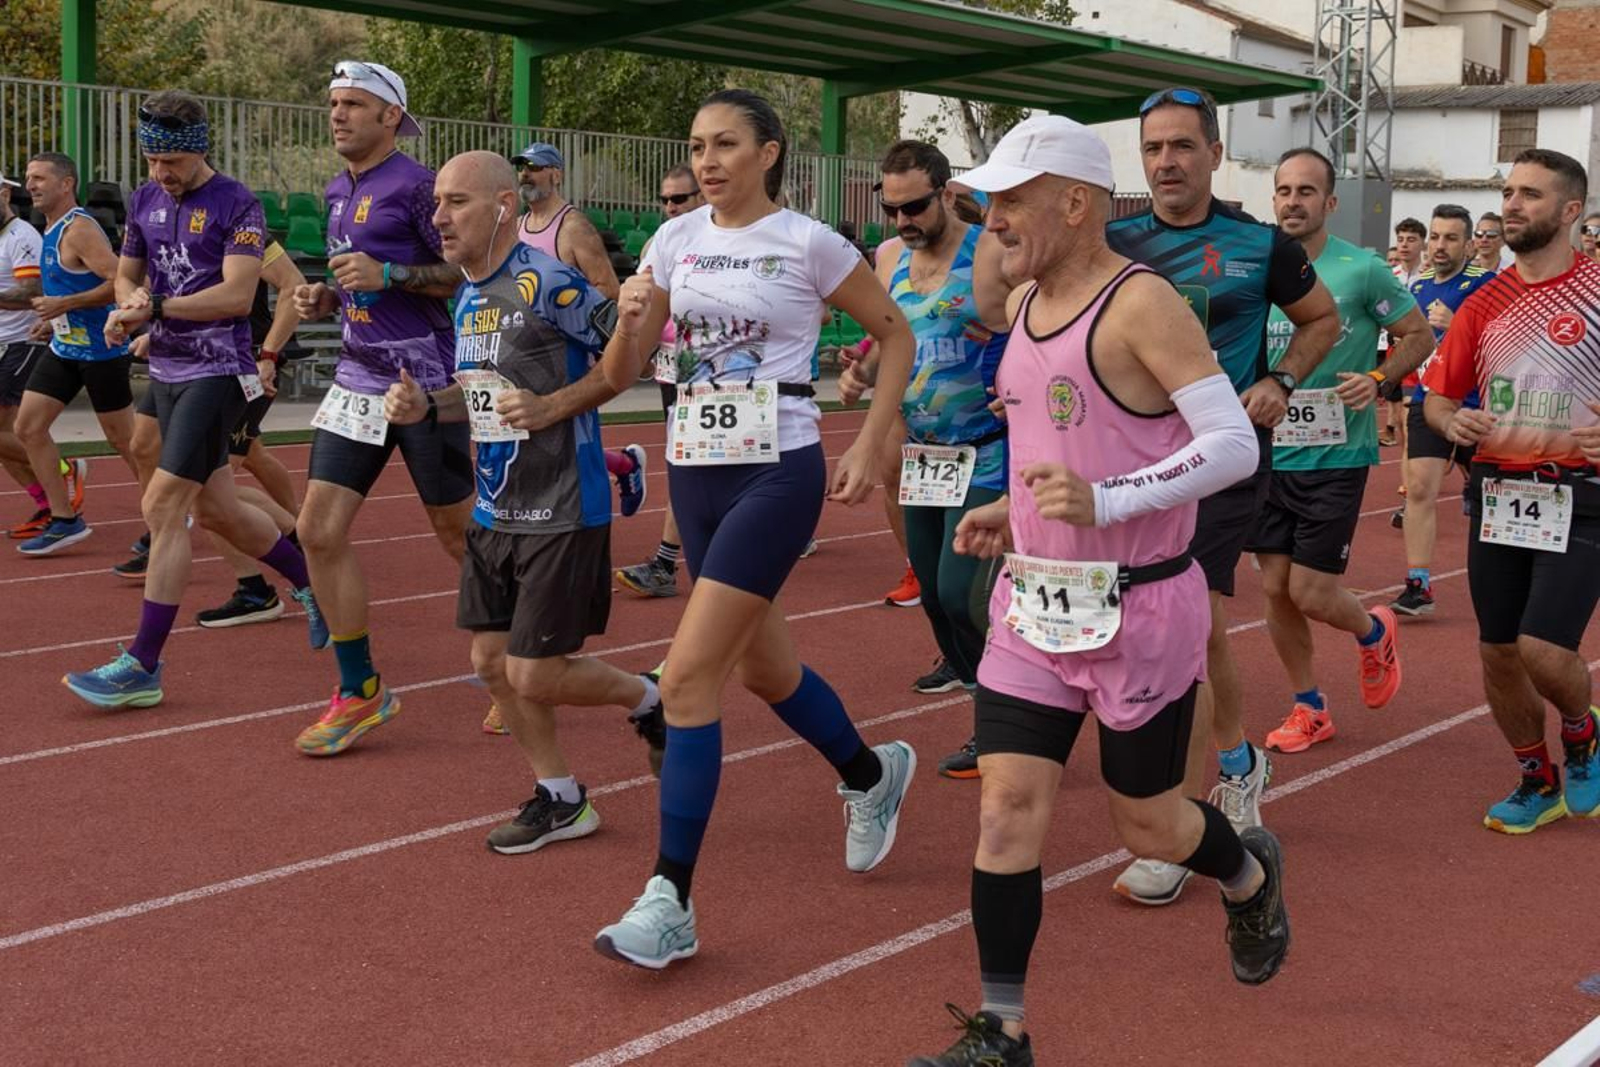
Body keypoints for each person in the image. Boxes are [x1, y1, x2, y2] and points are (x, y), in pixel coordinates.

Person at [906, 115, 1289, 1067]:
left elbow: (1233, 446)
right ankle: (1004, 1030)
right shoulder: (1028, 306)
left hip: (1140, 606)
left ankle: (1246, 875)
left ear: (1076, 203)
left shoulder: (1141, 303)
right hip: (1034, 603)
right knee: (1005, 809)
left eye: (1010, 200)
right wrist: (1013, 508)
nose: (992, 220)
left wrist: (1105, 500)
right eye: (987, 202)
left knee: (1147, 821)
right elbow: (1062, 445)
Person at [590, 89, 918, 970]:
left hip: (779, 465)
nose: (707, 160)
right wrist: (626, 320)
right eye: (697, 145)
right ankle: (870, 773)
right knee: (766, 665)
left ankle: (671, 900)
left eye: (726, 144)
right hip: (693, 466)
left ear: (769, 152)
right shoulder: (673, 239)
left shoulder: (809, 241)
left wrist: (873, 440)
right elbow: (627, 365)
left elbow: (895, 335)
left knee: (691, 677)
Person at [384, 151, 662, 851]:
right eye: (437, 204)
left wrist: (553, 406)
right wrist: (427, 403)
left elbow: (626, 360)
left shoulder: (547, 281)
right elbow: (483, 395)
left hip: (564, 503)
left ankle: (652, 701)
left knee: (533, 672)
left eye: (456, 203)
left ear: (504, 206)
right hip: (497, 506)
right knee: (489, 662)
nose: (439, 218)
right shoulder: (469, 295)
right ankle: (561, 796)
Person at [1103, 87, 1339, 905]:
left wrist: (1280, 377)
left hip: (1223, 458)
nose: (1166, 161)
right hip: (1131, 462)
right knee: (1166, 632)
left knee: (1188, 623)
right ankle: (1238, 763)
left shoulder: (1259, 242)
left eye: (1181, 146)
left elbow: (1322, 321)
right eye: (1153, 148)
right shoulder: (1112, 243)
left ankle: (1186, 812)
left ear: (1212, 154)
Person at [63, 89, 323, 708]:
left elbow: (237, 296)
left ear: (198, 150)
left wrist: (154, 309)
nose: (160, 174)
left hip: (221, 367)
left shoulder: (238, 203)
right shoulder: (147, 198)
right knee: (218, 510)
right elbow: (128, 271)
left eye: (171, 163)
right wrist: (128, 305)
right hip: (171, 366)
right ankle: (313, 583)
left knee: (163, 503)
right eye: (152, 161)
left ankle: (143, 665)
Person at [289, 61, 474, 755]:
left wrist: (391, 273)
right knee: (318, 530)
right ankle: (360, 688)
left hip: (427, 380)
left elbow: (469, 270)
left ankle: (519, 659)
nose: (338, 115)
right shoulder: (339, 188)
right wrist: (330, 297)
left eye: (354, 105)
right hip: (358, 377)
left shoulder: (422, 185)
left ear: (390, 116)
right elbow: (360, 280)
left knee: (457, 537)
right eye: (334, 103)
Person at [1423, 148, 1600, 835]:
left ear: (1571, 211)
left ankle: (1582, 731)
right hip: (1497, 493)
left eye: (1530, 193)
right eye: (1508, 190)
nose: (1513, 204)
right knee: (1497, 650)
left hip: (1581, 494)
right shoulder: (1483, 302)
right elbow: (1436, 399)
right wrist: (1451, 417)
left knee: (1542, 649)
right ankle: (1537, 777)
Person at [837, 139, 1010, 778]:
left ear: (943, 193)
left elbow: (1045, 320)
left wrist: (1014, 372)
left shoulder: (990, 251)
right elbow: (893, 335)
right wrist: (862, 372)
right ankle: (988, 709)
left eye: (915, 207)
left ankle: (1011, 719)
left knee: (966, 593)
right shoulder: (888, 258)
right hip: (927, 455)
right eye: (893, 210)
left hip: (989, 450)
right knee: (934, 595)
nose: (904, 221)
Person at [1247, 149, 1423, 757]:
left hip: (1336, 455)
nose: (1292, 201)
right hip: (1268, 454)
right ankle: (1310, 707)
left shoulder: (1363, 269)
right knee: (1274, 590)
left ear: (1330, 202)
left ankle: (1374, 629)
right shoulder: (1255, 267)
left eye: (1306, 191)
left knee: (1312, 593)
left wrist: (1377, 381)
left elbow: (1418, 335)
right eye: (1283, 190)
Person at [510, 140, 647, 520]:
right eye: (521, 167)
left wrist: (561, 315)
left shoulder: (573, 227)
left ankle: (587, 516)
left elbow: (607, 289)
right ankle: (622, 465)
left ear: (556, 174)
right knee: (534, 433)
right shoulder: (517, 228)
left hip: (567, 350)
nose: (525, 175)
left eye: (534, 167)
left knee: (564, 431)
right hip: (523, 348)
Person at [14, 153, 139, 557]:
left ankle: (169, 504)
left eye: (39, 178)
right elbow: (68, 291)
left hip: (102, 350)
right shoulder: (49, 227)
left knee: (126, 441)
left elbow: (120, 279)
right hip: (65, 347)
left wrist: (64, 306)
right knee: (28, 428)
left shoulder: (80, 228)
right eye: (28, 178)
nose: (30, 185)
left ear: (66, 184)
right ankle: (64, 518)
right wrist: (53, 321)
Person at [1387, 205, 1496, 616]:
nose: (1439, 246)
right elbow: (1411, 343)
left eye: (1450, 238)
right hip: (1431, 399)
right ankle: (1419, 586)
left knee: (1490, 497)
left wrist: (1456, 326)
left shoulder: (1488, 285)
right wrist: (1392, 383)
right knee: (1418, 488)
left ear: (1469, 244)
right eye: (1435, 236)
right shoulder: (1418, 287)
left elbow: (1506, 344)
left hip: (1478, 407)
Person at [196, 238, 308, 627]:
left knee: (207, 485)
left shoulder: (245, 229)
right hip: (200, 369)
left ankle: (271, 572)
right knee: (252, 456)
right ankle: (300, 534)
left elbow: (293, 286)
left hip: (246, 366)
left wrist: (269, 354)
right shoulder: (171, 226)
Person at [615, 164, 706, 599]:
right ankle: (668, 563)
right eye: (666, 199)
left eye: (680, 198)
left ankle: (666, 562)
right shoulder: (661, 242)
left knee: (692, 463)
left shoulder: (728, 238)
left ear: (701, 197)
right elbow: (648, 305)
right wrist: (645, 349)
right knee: (684, 461)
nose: (671, 207)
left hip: (723, 376)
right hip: (675, 369)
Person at [0, 170, 65, 549]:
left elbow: (31, 292)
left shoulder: (21, 236)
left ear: (5, 194)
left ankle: (62, 471)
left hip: (22, 342)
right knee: (8, 436)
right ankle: (46, 503)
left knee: (12, 432)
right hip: (4, 344)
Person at [1383, 217, 1428, 447]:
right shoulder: (1389, 276)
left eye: (1411, 240)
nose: (1404, 245)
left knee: (1413, 414)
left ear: (1423, 244)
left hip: (1422, 351)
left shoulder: (1430, 275)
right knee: (1398, 411)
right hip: (1394, 349)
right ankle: (1410, 465)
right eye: (1400, 240)